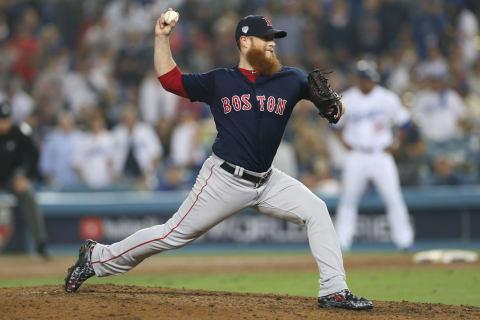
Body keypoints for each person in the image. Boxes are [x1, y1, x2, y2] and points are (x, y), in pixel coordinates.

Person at [65, 11, 373, 310]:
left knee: (316, 210)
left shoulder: (291, 78)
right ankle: (97, 258)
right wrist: (161, 38)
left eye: (274, 38)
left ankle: (334, 289)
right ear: (244, 42)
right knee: (171, 234)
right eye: (265, 38)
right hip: (224, 179)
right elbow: (170, 80)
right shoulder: (220, 80)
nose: (272, 43)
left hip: (268, 180)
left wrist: (337, 108)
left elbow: (334, 107)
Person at [334, 60, 414, 251]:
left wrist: (395, 143)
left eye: (369, 78)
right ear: (357, 79)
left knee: (393, 197)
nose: (366, 82)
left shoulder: (387, 98)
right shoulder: (347, 99)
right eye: (363, 78)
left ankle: (404, 241)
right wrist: (344, 144)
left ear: (374, 79)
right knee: (348, 200)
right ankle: (342, 243)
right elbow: (334, 125)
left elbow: (404, 123)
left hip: (380, 154)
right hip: (357, 155)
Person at [0, 100, 49, 258]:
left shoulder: (19, 133)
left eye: (6, 119)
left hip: (12, 179)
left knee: (28, 192)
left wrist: (24, 176)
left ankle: (41, 244)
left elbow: (32, 157)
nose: (3, 123)